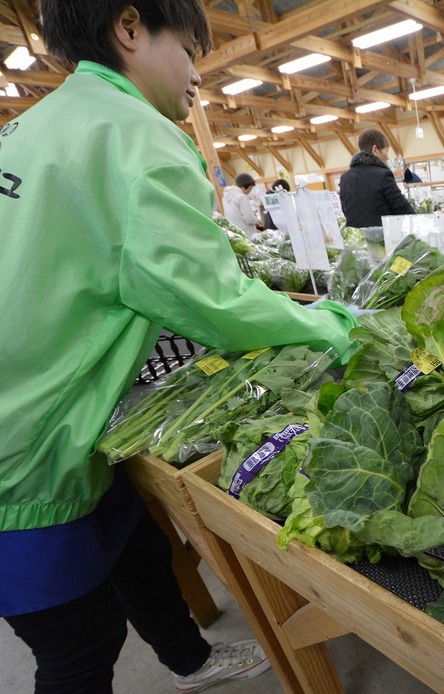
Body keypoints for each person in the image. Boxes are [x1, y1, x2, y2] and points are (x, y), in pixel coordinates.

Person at [0, 2, 358, 693]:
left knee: (136, 550)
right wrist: (333, 325)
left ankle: (189, 662)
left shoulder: (33, 126)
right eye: (192, 49)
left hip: (48, 412)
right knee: (77, 648)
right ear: (129, 27)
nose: (199, 74)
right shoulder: (133, 133)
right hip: (24, 447)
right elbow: (212, 300)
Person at [338, 128, 415, 228]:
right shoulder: (382, 175)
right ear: (375, 150)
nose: (387, 157)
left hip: (356, 238)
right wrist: (418, 224)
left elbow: (346, 210)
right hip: (382, 238)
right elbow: (401, 207)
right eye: (386, 150)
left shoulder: (345, 177)